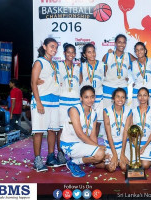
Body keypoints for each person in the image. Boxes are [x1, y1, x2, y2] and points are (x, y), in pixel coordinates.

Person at [60, 85, 106, 177]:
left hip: (81, 145)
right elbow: (80, 134)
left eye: (92, 97)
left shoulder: (94, 113)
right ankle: (73, 162)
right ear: (81, 98)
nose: (90, 100)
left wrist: (96, 149)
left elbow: (93, 135)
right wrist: (98, 149)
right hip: (69, 144)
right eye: (86, 97)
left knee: (101, 162)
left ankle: (80, 159)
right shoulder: (74, 110)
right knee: (100, 154)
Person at [31, 37, 61, 172]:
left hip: (54, 102)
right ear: (44, 46)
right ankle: (37, 159)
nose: (54, 49)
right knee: (38, 131)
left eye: (56, 47)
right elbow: (33, 83)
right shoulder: (39, 62)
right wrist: (38, 102)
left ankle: (50, 157)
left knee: (52, 131)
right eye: (51, 46)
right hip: (42, 101)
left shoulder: (55, 64)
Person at [102, 34, 136, 109]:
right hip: (108, 87)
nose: (122, 44)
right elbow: (102, 73)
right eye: (119, 42)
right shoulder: (107, 56)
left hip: (122, 87)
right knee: (107, 112)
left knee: (122, 114)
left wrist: (136, 81)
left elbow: (140, 64)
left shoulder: (128, 56)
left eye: (124, 42)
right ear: (115, 43)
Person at [103, 88, 132, 172]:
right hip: (110, 145)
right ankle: (104, 162)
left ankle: (119, 159)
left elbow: (126, 132)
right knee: (111, 168)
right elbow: (108, 135)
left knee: (124, 167)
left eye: (123, 97)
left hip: (123, 144)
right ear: (113, 98)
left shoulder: (128, 111)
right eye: (118, 97)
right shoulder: (106, 111)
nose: (120, 99)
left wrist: (122, 153)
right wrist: (115, 155)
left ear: (125, 99)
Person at [80, 43, 104, 137]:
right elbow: (78, 81)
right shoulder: (81, 66)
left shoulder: (102, 64)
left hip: (99, 98)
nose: (92, 54)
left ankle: (94, 143)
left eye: (93, 51)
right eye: (89, 52)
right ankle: (85, 142)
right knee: (86, 121)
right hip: (86, 99)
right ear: (84, 54)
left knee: (97, 122)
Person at [132, 87, 151, 169]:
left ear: (148, 97)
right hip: (135, 142)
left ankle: (149, 153)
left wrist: (144, 146)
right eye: (140, 95)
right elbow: (131, 131)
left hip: (147, 142)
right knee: (132, 164)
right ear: (137, 97)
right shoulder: (132, 111)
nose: (142, 98)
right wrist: (135, 145)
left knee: (145, 165)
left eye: (145, 95)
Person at [131, 42, 151, 109]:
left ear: (145, 51)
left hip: (150, 90)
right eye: (137, 50)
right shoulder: (133, 64)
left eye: (141, 49)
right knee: (136, 112)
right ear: (135, 52)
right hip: (137, 90)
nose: (139, 52)